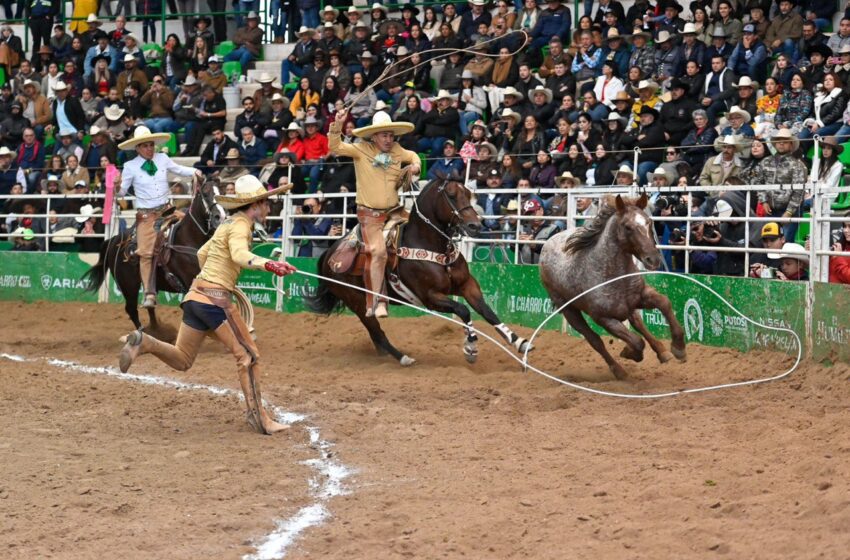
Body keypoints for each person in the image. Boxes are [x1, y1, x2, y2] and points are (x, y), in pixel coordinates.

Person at [119, 174, 297, 434]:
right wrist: (269, 264)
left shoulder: (226, 224)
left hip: (195, 296)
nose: (269, 207)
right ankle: (259, 418)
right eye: (266, 203)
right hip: (214, 301)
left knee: (183, 359)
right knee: (248, 355)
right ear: (256, 205)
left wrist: (214, 277)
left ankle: (145, 342)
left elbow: (203, 254)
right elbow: (238, 255)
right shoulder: (241, 225)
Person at [328, 109, 421, 318]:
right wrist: (337, 125)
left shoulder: (397, 150)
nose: (389, 139)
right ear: (374, 136)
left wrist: (415, 166)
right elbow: (335, 146)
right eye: (384, 135)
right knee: (377, 252)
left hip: (395, 211)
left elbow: (413, 155)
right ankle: (377, 300)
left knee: (422, 230)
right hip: (370, 216)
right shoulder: (361, 149)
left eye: (391, 135)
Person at [119, 126, 203, 308]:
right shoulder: (130, 167)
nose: (150, 149)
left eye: (151, 145)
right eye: (145, 146)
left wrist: (195, 172)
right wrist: (115, 186)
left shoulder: (163, 159)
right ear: (138, 148)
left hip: (168, 210)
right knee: (146, 253)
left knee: (193, 227)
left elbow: (180, 170)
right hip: (147, 216)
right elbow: (121, 193)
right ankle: (150, 292)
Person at [755, 129, 810, 242]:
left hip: (790, 210)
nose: (781, 143)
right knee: (768, 241)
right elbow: (758, 182)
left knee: (785, 242)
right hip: (770, 209)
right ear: (775, 143)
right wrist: (764, 201)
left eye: (785, 141)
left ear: (791, 144)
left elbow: (799, 191)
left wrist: (789, 212)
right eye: (778, 140)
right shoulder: (765, 162)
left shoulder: (798, 165)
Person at [518, 199, 561, 264]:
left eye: (534, 212)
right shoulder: (521, 228)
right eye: (529, 214)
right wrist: (518, 242)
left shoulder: (553, 228)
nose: (532, 216)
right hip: (524, 268)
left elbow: (553, 250)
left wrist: (535, 245)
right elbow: (513, 249)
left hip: (545, 269)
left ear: (541, 210)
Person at [829, 213, 850, 283]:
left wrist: (838, 257)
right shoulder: (841, 245)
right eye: (844, 226)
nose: (845, 230)